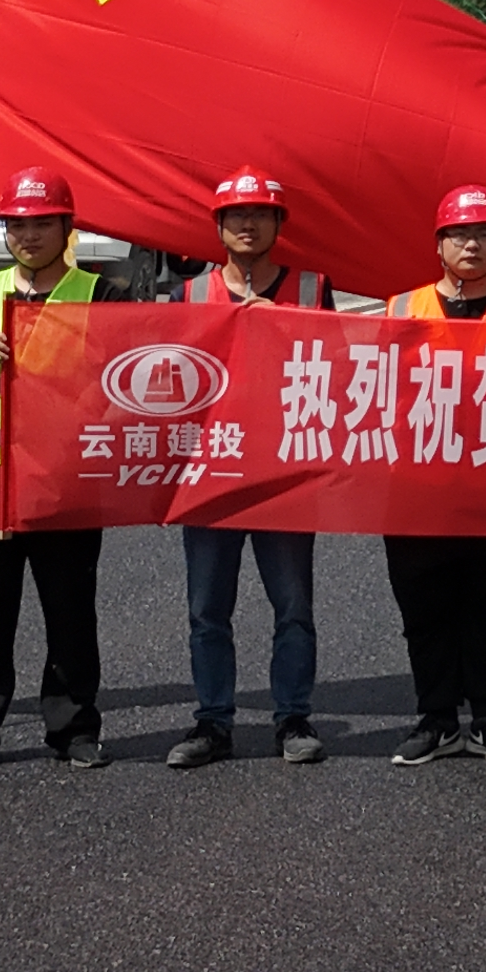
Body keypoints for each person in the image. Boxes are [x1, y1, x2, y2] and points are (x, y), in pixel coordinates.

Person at [0, 167, 129, 773]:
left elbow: (129, 379)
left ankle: (73, 729)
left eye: (42, 223)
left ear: (66, 227)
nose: (29, 235)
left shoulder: (103, 296)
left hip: (63, 479)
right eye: (18, 224)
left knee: (69, 611)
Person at [162, 168, 329, 769]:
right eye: (237, 215)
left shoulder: (311, 289)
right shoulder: (189, 295)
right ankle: (213, 721)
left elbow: (336, 371)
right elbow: (170, 383)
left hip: (285, 475)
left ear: (280, 224)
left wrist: (281, 330)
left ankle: (293, 717)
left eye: (260, 214)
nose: (249, 224)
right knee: (208, 609)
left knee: (293, 608)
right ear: (219, 227)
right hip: (213, 475)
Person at [383, 185, 486, 767]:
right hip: (417, 494)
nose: (473, 244)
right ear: (439, 243)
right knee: (424, 610)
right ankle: (436, 718)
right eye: (460, 234)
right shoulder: (400, 310)